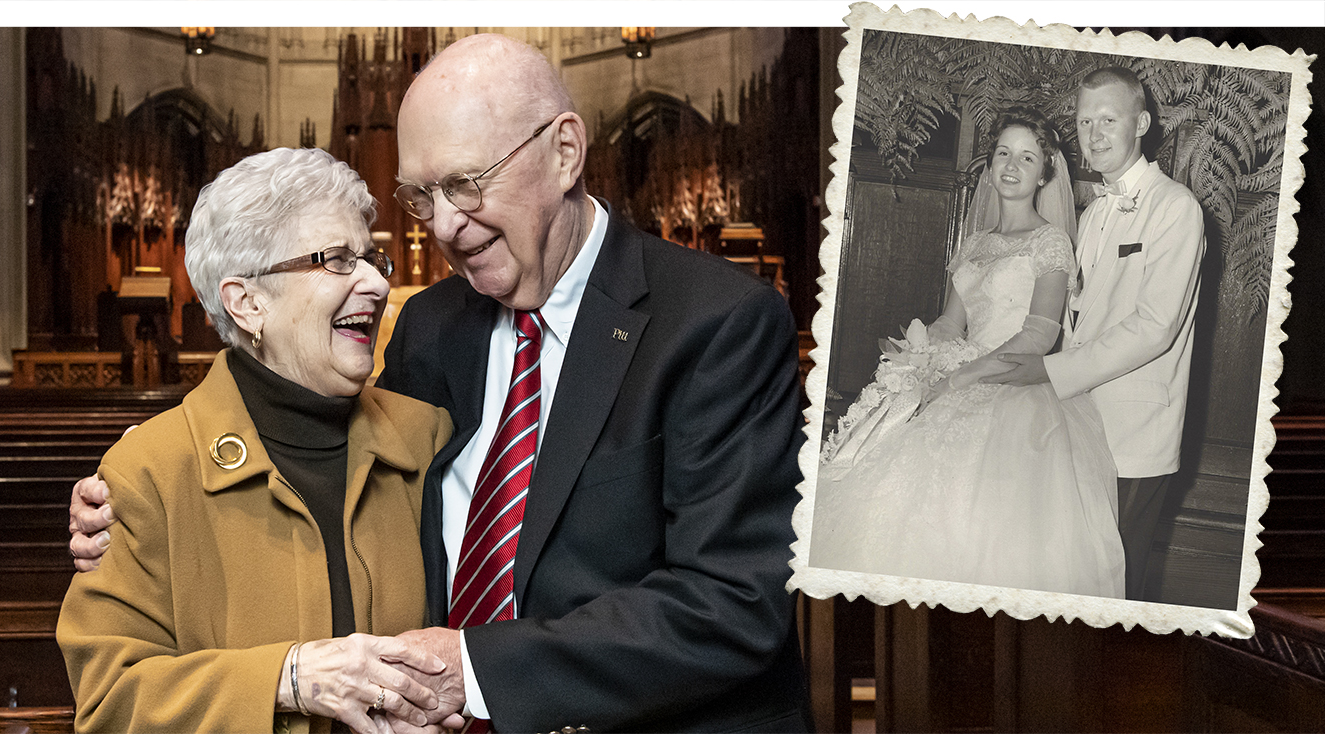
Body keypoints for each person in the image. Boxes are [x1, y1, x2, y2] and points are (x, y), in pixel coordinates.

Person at [70, 34, 808, 733]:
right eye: (421, 198)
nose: (445, 226)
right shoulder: (430, 326)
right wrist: (149, 473)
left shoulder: (717, 322)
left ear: (564, 152)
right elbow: (331, 445)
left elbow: (733, 603)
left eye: (465, 183)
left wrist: (476, 670)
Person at [57, 148, 460, 733]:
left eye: (372, 258)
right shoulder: (151, 469)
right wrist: (286, 679)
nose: (374, 281)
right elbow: (110, 700)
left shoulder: (428, 438)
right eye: (337, 260)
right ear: (247, 303)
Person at [810, 107, 1125, 598]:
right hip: (955, 369)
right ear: (990, 165)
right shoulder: (975, 242)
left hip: (1015, 385)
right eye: (1003, 153)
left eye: (1026, 157)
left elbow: (1039, 336)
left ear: (1045, 171)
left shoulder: (1051, 242)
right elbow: (952, 321)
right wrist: (918, 352)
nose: (1012, 166)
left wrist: (957, 378)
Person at [986, 67, 1206, 603]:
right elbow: (1078, 316)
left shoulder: (1175, 207)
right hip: (1080, 425)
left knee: (1117, 583)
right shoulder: (1090, 215)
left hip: (1136, 431)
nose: (1095, 133)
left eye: (1109, 119)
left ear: (1143, 123)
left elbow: (1156, 326)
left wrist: (1049, 371)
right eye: (1086, 121)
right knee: (1078, 575)